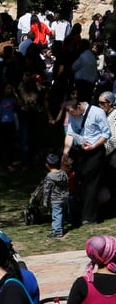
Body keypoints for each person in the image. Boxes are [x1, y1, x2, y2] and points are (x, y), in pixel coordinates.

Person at [62, 97, 110, 226]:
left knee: (92, 184)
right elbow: (70, 134)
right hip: (82, 151)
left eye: (72, 112)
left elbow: (106, 134)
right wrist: (65, 152)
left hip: (96, 150)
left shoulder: (97, 113)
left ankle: (89, 217)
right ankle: (81, 213)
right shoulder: (72, 114)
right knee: (80, 179)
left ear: (78, 106)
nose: (71, 115)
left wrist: (94, 146)